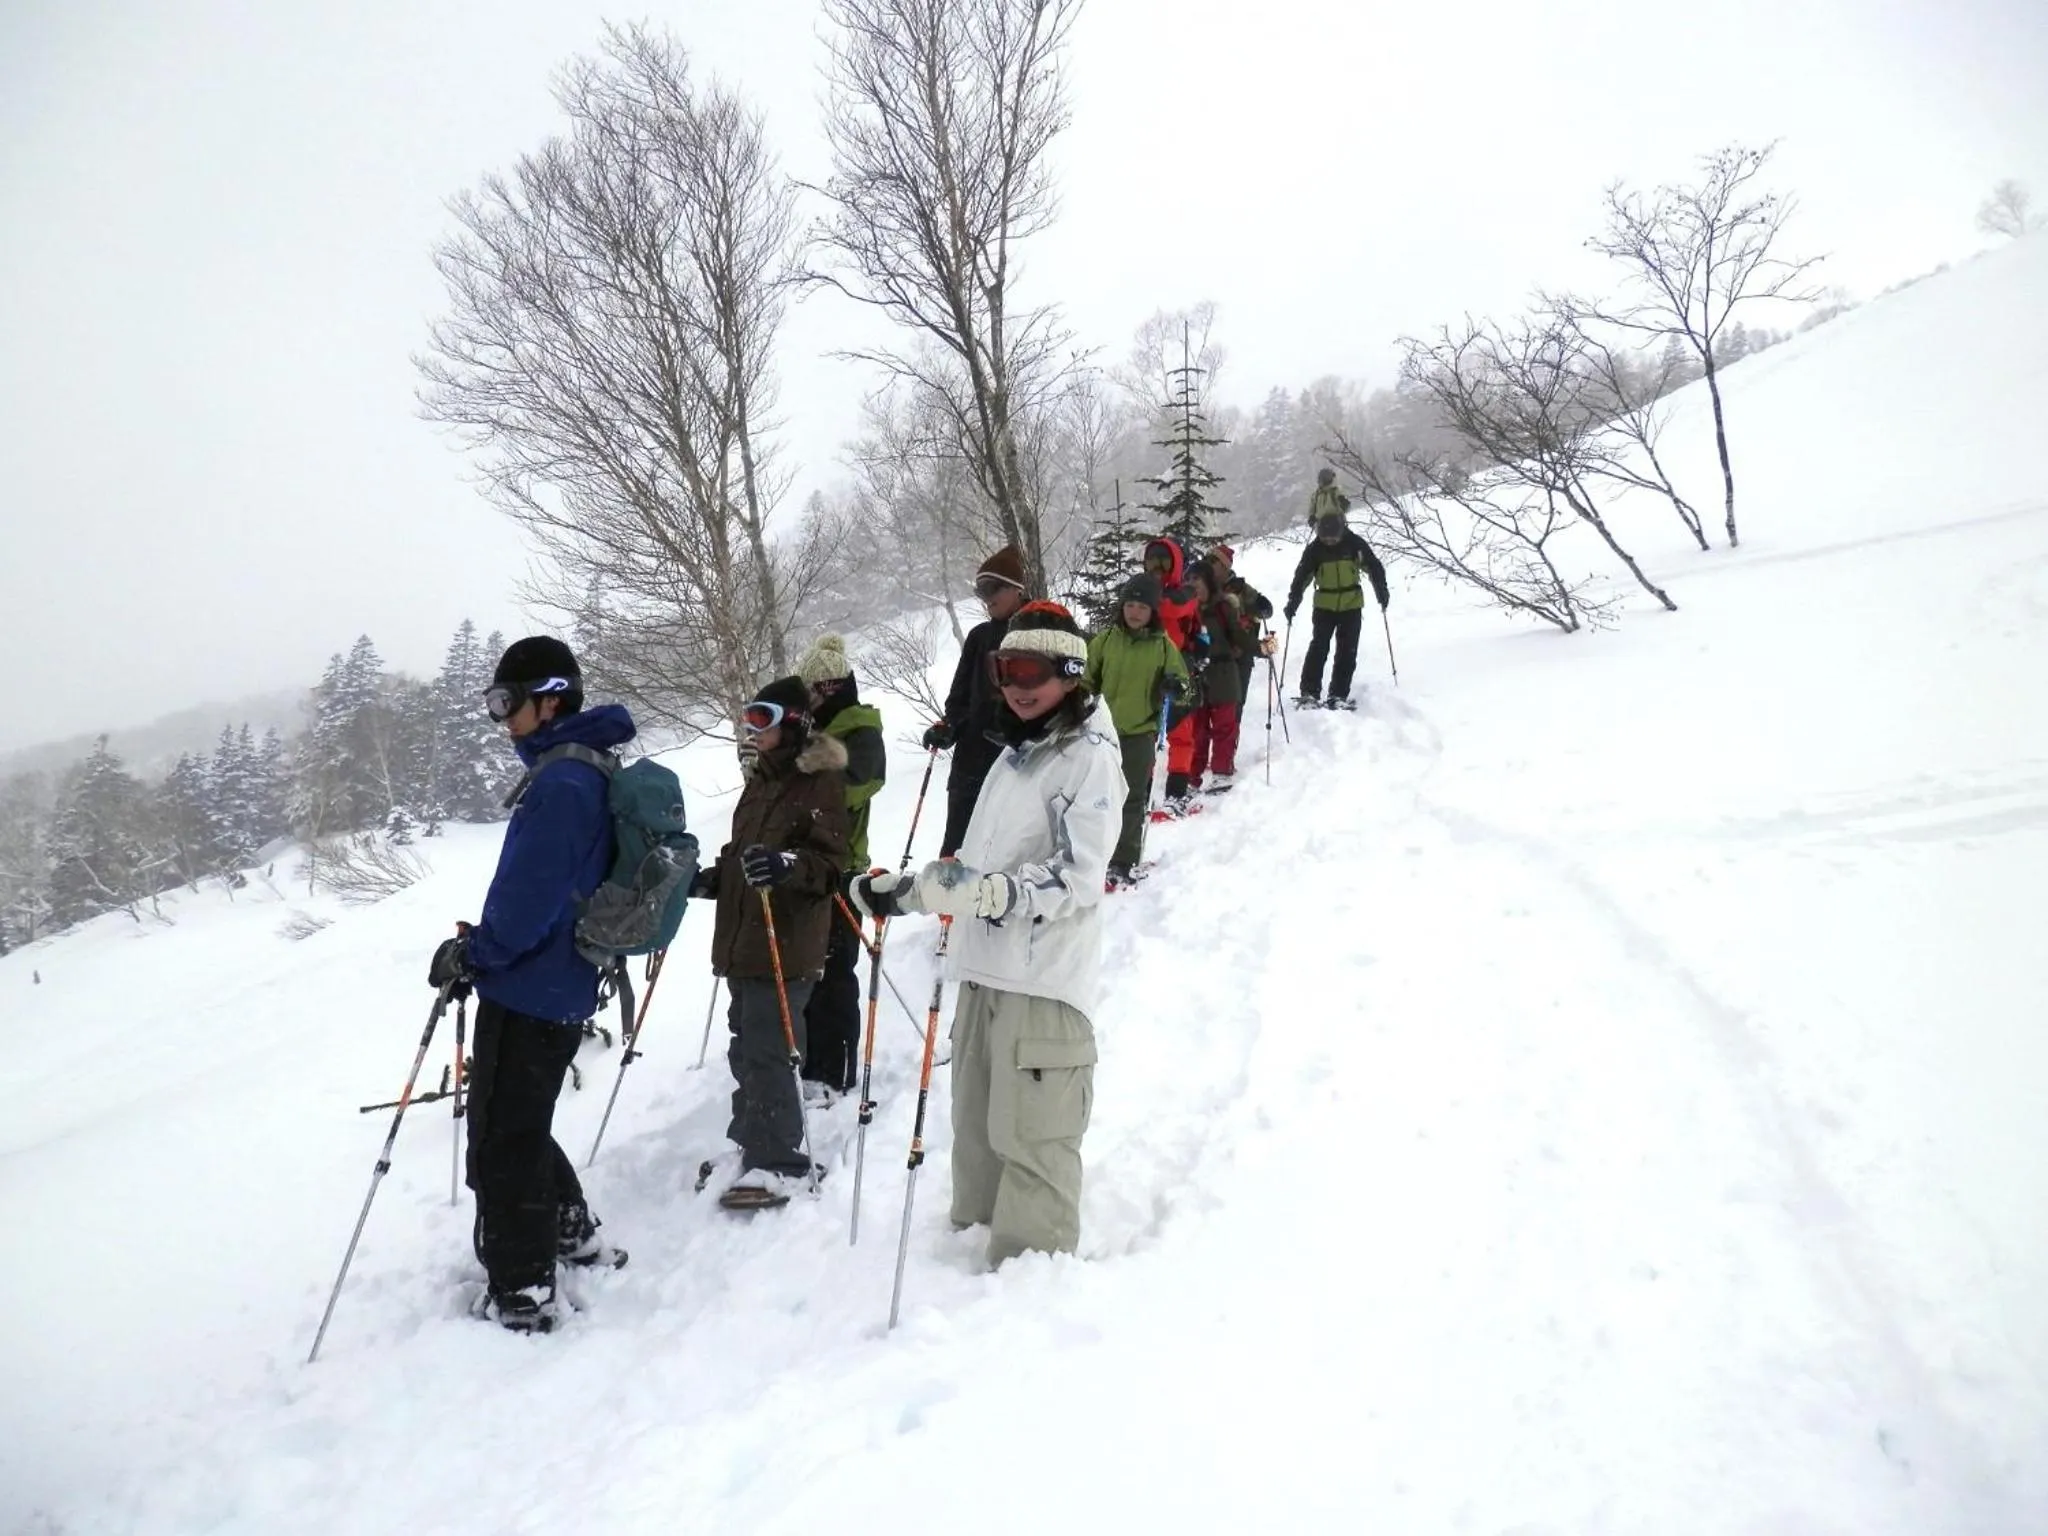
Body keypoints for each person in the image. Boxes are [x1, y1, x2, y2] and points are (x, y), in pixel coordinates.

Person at [852, 603, 1123, 1267]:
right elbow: (973, 872)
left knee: (1031, 1132)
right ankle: (971, 1243)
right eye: (1005, 670)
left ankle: (1030, 1278)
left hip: (1043, 980)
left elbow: (1081, 878)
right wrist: (909, 892)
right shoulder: (1015, 755)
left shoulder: (1088, 758)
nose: (1016, 684)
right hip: (982, 969)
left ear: (1070, 672)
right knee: (976, 1130)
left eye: (1031, 669)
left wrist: (997, 894)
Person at [426, 635, 634, 1334]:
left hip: (533, 987)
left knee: (501, 1141)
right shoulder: (574, 771)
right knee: (517, 1123)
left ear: (550, 699)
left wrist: (477, 954)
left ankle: (523, 1289)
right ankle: (572, 1232)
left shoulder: (565, 784)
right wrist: (483, 950)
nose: (500, 718)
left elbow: (530, 897)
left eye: (506, 702)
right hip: (551, 983)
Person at [692, 677, 850, 1209]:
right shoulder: (760, 780)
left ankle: (780, 1158)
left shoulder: (819, 782)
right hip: (744, 938)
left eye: (762, 717)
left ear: (794, 721)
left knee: (771, 1050)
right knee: (746, 1047)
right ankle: (751, 1142)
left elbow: (830, 867)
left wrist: (786, 866)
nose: (751, 729)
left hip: (786, 941)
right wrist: (714, 879)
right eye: (748, 718)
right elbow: (744, 853)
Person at [794, 634, 885, 1097]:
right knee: (805, 968)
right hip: (802, 865)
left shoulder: (859, 728)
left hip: (841, 864)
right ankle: (809, 1061)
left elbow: (860, 783)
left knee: (832, 971)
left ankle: (833, 1072)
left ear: (831, 687)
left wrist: (811, 772)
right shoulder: (809, 727)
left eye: (816, 688)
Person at [1082, 571, 1190, 888]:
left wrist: (1176, 685)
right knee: (1097, 797)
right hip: (1100, 732)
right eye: (1130, 605)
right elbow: (1086, 678)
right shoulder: (1106, 640)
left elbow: (1185, 688)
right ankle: (1093, 855)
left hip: (1140, 733)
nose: (1134, 612)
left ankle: (1123, 859)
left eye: (1142, 607)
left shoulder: (1162, 646)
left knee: (1130, 798)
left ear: (1153, 612)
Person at [925, 545, 1030, 857]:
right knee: (958, 847)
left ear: (1017, 588)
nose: (986, 598)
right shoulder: (979, 637)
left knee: (1004, 852)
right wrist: (949, 728)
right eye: (980, 590)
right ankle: (950, 903)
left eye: (992, 588)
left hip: (1019, 761)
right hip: (971, 760)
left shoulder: (1039, 629)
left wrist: (1021, 732)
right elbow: (958, 699)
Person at [1283, 509, 1391, 710]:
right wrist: (1292, 603)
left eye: (1333, 538)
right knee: (1318, 648)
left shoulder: (1354, 544)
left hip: (1351, 605)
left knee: (1347, 652)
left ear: (1342, 531)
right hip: (1324, 606)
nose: (1330, 542)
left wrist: (1381, 592)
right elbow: (1301, 578)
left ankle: (1338, 694)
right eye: (1326, 539)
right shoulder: (1315, 550)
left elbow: (1374, 567)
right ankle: (1309, 692)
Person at [1139, 535, 1206, 809]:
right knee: (1148, 735)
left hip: (1180, 671)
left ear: (1175, 564)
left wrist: (1201, 650)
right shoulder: (1150, 595)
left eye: (1164, 561)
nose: (1157, 568)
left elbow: (1180, 610)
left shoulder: (1182, 595)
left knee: (1180, 733)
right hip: (1147, 673)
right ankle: (1142, 795)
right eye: (1152, 561)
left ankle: (1175, 794)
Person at [1186, 560, 1258, 794]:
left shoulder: (1223, 607)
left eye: (1196, 579)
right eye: (1188, 580)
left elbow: (1238, 635)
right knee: (1198, 729)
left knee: (1224, 726)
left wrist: (1260, 648)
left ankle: (1221, 773)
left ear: (1208, 581)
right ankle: (1191, 777)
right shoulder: (1185, 610)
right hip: (1198, 674)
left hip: (1224, 672)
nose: (1192, 584)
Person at [1205, 544, 1276, 710]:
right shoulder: (1203, 587)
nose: (1208, 564)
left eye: (1213, 561)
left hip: (1240, 656)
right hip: (1211, 655)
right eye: (1207, 560)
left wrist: (1262, 606)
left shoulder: (1242, 589)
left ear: (1225, 566)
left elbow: (1266, 610)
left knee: (1234, 707)